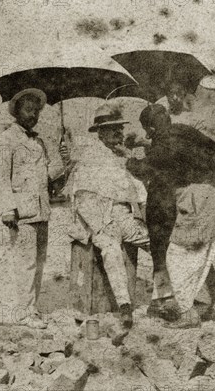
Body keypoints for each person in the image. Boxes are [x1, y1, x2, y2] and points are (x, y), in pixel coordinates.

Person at [127, 104, 215, 325]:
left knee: (161, 251)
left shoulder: (162, 144)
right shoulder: (185, 131)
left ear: (150, 129)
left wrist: (128, 159)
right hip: (202, 199)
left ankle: (166, 303)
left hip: (169, 202)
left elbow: (146, 168)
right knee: (201, 254)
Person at [0, 88, 68, 329]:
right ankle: (24, 311)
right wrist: (7, 208)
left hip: (41, 209)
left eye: (37, 110)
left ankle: (31, 308)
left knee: (40, 260)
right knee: (26, 262)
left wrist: (64, 159)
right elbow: (0, 177)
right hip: (21, 213)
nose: (33, 114)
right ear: (17, 112)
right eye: (28, 109)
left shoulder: (40, 141)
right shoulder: (7, 140)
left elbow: (49, 175)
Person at [68, 104, 149, 330]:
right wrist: (101, 225)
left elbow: (138, 191)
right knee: (111, 250)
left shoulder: (121, 156)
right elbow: (82, 198)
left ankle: (171, 297)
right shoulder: (90, 157)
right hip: (100, 218)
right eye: (112, 129)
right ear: (100, 132)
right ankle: (124, 306)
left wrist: (142, 216)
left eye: (119, 129)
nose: (118, 134)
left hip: (125, 216)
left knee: (159, 243)